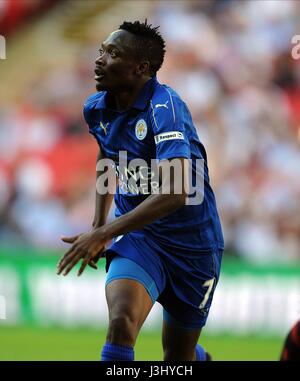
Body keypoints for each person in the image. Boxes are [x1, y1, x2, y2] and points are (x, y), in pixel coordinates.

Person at [57, 20, 224, 361]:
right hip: (140, 236)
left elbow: (176, 192)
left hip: (193, 246)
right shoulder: (96, 107)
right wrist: (98, 227)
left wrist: (105, 230)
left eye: (112, 53)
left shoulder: (167, 109)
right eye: (102, 50)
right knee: (120, 322)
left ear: (141, 69)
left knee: (178, 356)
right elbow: (107, 155)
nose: (99, 59)